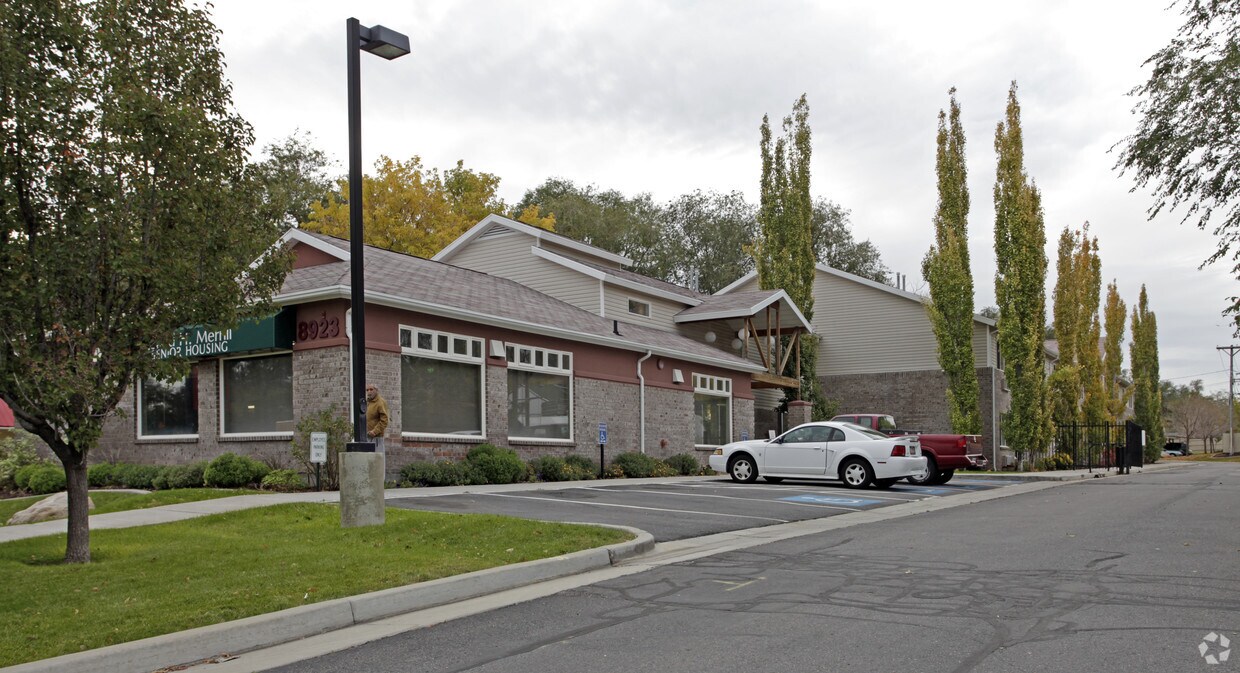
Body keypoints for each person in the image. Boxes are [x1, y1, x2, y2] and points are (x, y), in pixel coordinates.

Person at [365, 384, 389, 453]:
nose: (369, 392)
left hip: (377, 438)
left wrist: (375, 431)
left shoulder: (380, 402)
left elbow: (384, 420)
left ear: (376, 390)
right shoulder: (368, 402)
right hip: (367, 437)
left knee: (378, 458)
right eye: (367, 390)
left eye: (371, 389)